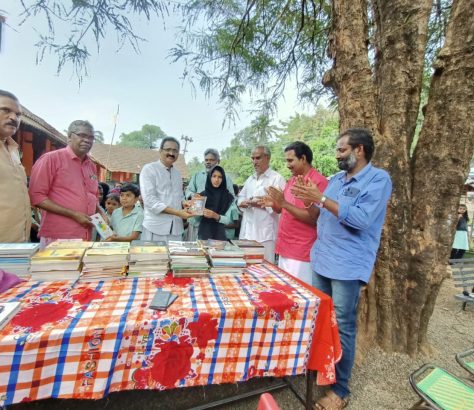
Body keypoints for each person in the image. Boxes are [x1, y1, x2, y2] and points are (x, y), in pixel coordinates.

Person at [291, 128, 392, 409]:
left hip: (348, 266)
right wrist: (311, 199)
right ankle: (319, 371)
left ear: (359, 150)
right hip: (322, 260)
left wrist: (321, 199)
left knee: (344, 326)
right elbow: (323, 213)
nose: (336, 155)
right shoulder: (335, 179)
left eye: (341, 150)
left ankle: (341, 390)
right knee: (319, 320)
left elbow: (360, 219)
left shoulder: (378, 179)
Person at [29, 120, 103, 246]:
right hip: (58, 236)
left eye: (91, 137)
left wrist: (100, 213)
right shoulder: (50, 159)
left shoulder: (90, 165)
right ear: (69, 137)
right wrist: (73, 214)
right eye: (82, 135)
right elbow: (37, 197)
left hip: (85, 234)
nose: (87, 140)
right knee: (55, 266)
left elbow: (92, 196)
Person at [265, 141, 328, 285]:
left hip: (302, 252)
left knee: (299, 296)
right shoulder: (293, 180)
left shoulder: (318, 182)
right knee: (285, 291)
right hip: (285, 247)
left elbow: (315, 219)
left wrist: (284, 203)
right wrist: (275, 203)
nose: (287, 165)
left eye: (290, 160)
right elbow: (283, 209)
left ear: (303, 159)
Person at [238, 146, 286, 263]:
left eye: (258, 158)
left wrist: (258, 204)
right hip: (247, 232)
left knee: (266, 270)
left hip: (265, 235)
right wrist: (242, 203)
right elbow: (240, 197)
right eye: (253, 158)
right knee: (246, 268)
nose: (254, 162)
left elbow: (280, 207)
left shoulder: (277, 178)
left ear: (268, 158)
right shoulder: (250, 179)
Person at [139, 137, 192, 242]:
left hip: (176, 229)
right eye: (168, 149)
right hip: (155, 227)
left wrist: (184, 202)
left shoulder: (177, 173)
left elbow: (179, 196)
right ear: (160, 151)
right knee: (154, 258)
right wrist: (178, 213)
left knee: (175, 258)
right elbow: (150, 200)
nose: (171, 153)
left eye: (175, 151)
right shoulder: (149, 169)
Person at [0, 90, 31, 242]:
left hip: (17, 247)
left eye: (18, 114)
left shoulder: (13, 151)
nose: (13, 117)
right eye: (5, 110)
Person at [184, 148, 235, 241]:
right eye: (206, 160)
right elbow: (189, 190)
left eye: (211, 160)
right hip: (197, 221)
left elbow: (231, 198)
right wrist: (194, 196)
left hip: (217, 222)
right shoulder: (197, 175)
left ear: (218, 161)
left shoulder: (226, 178)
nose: (208, 162)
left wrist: (217, 215)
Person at [194, 166, 237, 240]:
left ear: (223, 179)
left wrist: (215, 216)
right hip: (204, 235)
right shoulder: (201, 195)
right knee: (204, 251)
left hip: (221, 236)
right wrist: (196, 205)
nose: (216, 180)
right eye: (214, 176)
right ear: (209, 178)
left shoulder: (228, 197)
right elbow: (196, 219)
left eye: (220, 177)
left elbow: (229, 221)